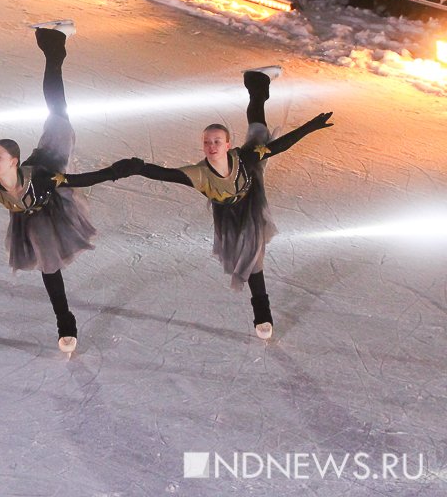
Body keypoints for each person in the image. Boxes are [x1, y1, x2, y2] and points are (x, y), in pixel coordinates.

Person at [0, 22, 143, 354]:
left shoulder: (41, 177)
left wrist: (118, 171)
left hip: (54, 158)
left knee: (58, 111)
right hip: (32, 213)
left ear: (14, 161)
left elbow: (79, 181)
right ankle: (66, 321)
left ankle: (53, 43)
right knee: (49, 265)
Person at [131, 67, 333, 339]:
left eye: (217, 141)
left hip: (252, 187)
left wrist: (310, 126)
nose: (211, 146)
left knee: (259, 135)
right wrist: (136, 167)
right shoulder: (199, 173)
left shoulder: (246, 157)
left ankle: (257, 83)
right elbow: (164, 174)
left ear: (227, 145)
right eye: (207, 142)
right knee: (250, 256)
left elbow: (280, 146)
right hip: (231, 215)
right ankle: (257, 82)